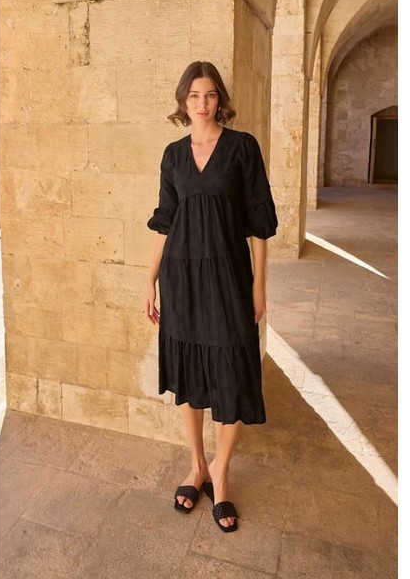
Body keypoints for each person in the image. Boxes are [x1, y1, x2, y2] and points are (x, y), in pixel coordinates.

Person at [143, 61, 278, 533]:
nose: (202, 103)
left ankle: (221, 472)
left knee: (232, 370)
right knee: (189, 369)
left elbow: (259, 224)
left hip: (227, 278)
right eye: (194, 95)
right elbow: (165, 221)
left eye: (210, 94)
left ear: (220, 99)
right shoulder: (173, 155)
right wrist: (149, 279)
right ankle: (197, 465)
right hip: (180, 278)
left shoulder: (242, 148)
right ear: (183, 101)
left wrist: (258, 286)